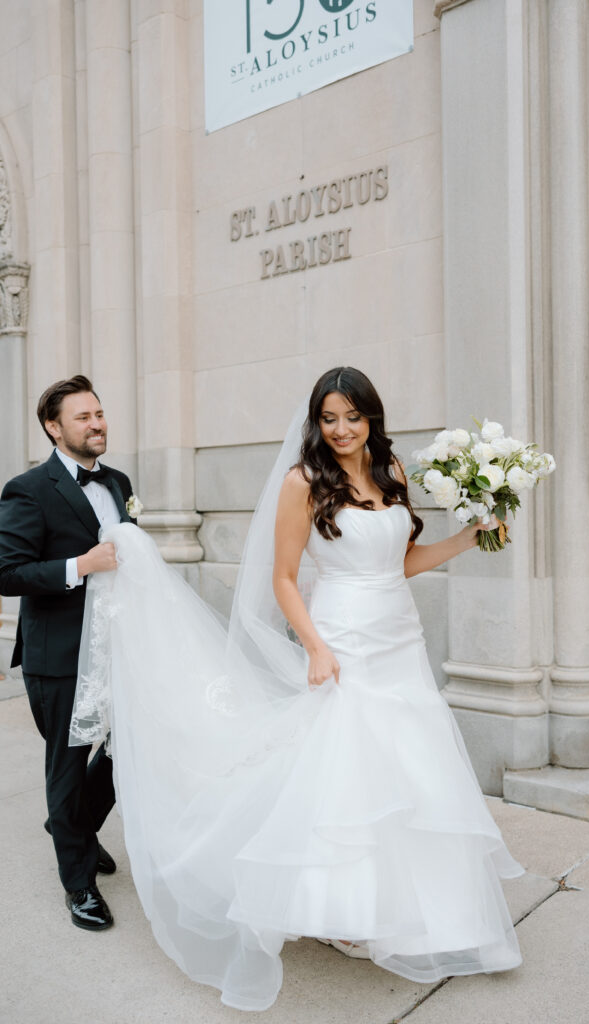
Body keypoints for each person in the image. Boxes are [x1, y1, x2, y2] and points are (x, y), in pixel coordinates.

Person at [68, 366, 523, 1010]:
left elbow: (402, 563)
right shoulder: (303, 481)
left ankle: (420, 905)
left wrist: (466, 538)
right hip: (341, 639)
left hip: (399, 640)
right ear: (317, 420)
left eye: (352, 417)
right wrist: (314, 645)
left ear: (372, 418)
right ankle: (339, 910)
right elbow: (284, 577)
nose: (340, 430)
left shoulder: (390, 472)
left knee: (409, 764)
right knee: (345, 769)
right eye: (329, 417)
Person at [0, 375, 136, 931]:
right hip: (59, 653)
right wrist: (80, 566)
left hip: (120, 646)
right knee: (67, 759)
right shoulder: (28, 489)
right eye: (83, 417)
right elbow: (7, 573)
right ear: (54, 428)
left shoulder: (120, 481)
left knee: (129, 747)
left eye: (99, 413)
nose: (96, 423)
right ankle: (78, 883)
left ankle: (72, 826)